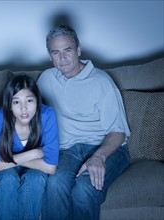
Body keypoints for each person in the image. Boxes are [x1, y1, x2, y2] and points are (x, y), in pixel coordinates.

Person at [37, 25, 131, 220]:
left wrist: (98, 157)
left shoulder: (102, 82)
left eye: (67, 50)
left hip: (106, 147)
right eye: (56, 52)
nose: (62, 58)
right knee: (55, 184)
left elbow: (118, 132)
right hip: (67, 150)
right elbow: (24, 111)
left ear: (78, 50)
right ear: (49, 55)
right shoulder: (45, 79)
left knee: (84, 189)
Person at [0, 74, 60, 220]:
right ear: (9, 104)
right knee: (7, 179)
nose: (24, 108)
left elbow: (50, 168)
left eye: (29, 100)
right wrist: (35, 153)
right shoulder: (0, 116)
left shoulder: (47, 115)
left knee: (35, 178)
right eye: (16, 102)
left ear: (37, 101)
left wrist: (7, 157)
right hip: (10, 169)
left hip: (27, 168)